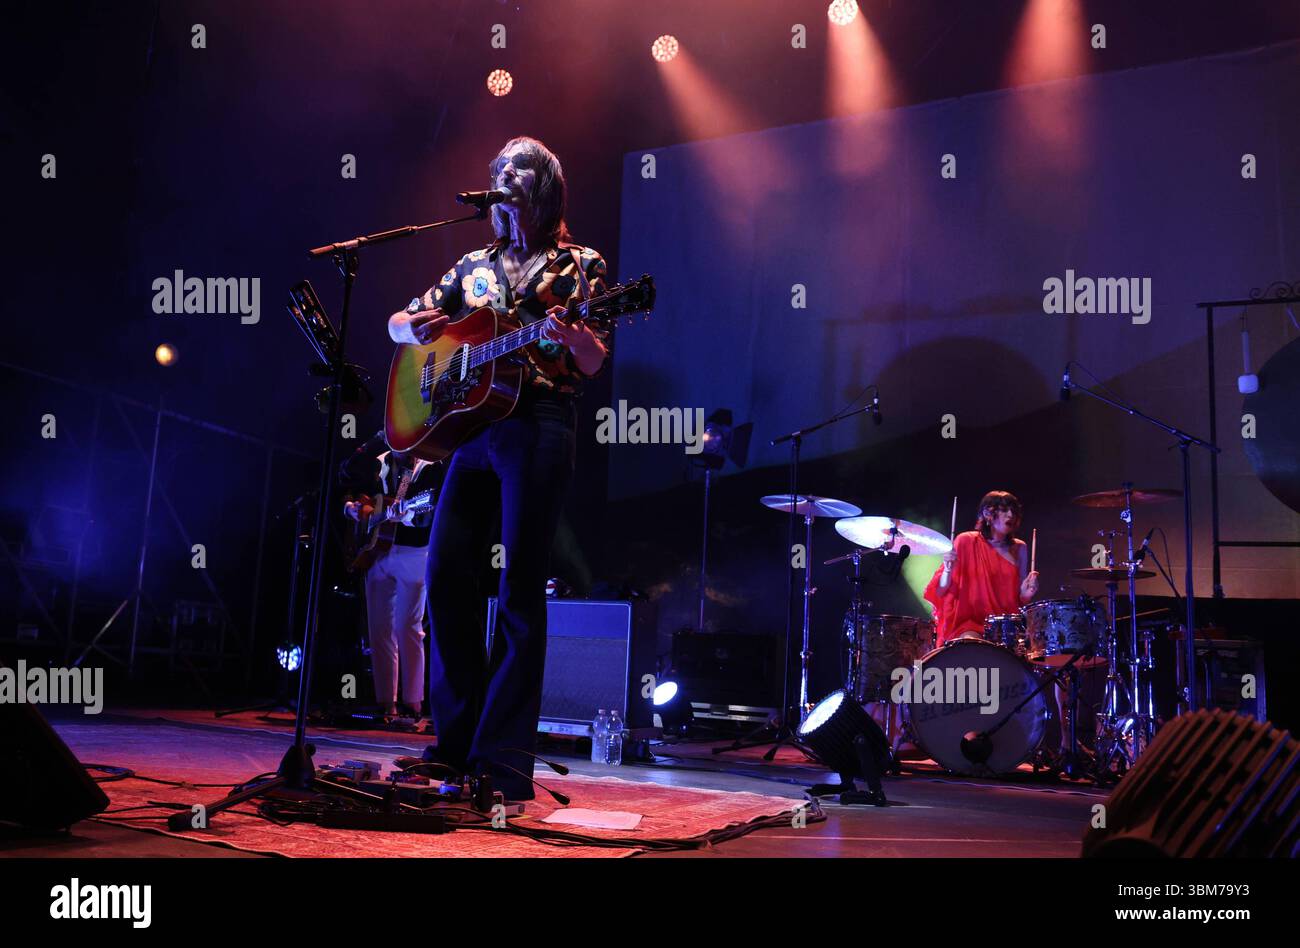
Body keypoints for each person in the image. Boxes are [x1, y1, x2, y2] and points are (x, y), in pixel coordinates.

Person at [386, 136, 610, 800]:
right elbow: (399, 320)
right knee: (446, 572)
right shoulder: (470, 266)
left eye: (516, 177)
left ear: (542, 189)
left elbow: (595, 359)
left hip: (539, 424)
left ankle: (504, 762)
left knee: (517, 592)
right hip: (473, 428)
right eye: (499, 178)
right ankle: (452, 747)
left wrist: (574, 337)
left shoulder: (581, 265)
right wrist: (417, 328)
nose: (504, 187)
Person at [340, 433, 443, 721]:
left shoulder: (429, 466)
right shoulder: (378, 463)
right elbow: (350, 487)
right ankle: (386, 703)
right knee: (379, 628)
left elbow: (430, 510)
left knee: (407, 626)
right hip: (378, 551)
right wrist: (351, 508)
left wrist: (404, 514)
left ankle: (413, 703)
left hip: (414, 552)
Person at [924, 491, 1039, 646]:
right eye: (1004, 510)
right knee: (973, 647)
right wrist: (947, 570)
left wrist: (1026, 595)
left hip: (1007, 628)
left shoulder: (1020, 548)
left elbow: (1020, 599)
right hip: (970, 624)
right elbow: (941, 590)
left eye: (1013, 510)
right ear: (987, 513)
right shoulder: (965, 541)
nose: (1010, 514)